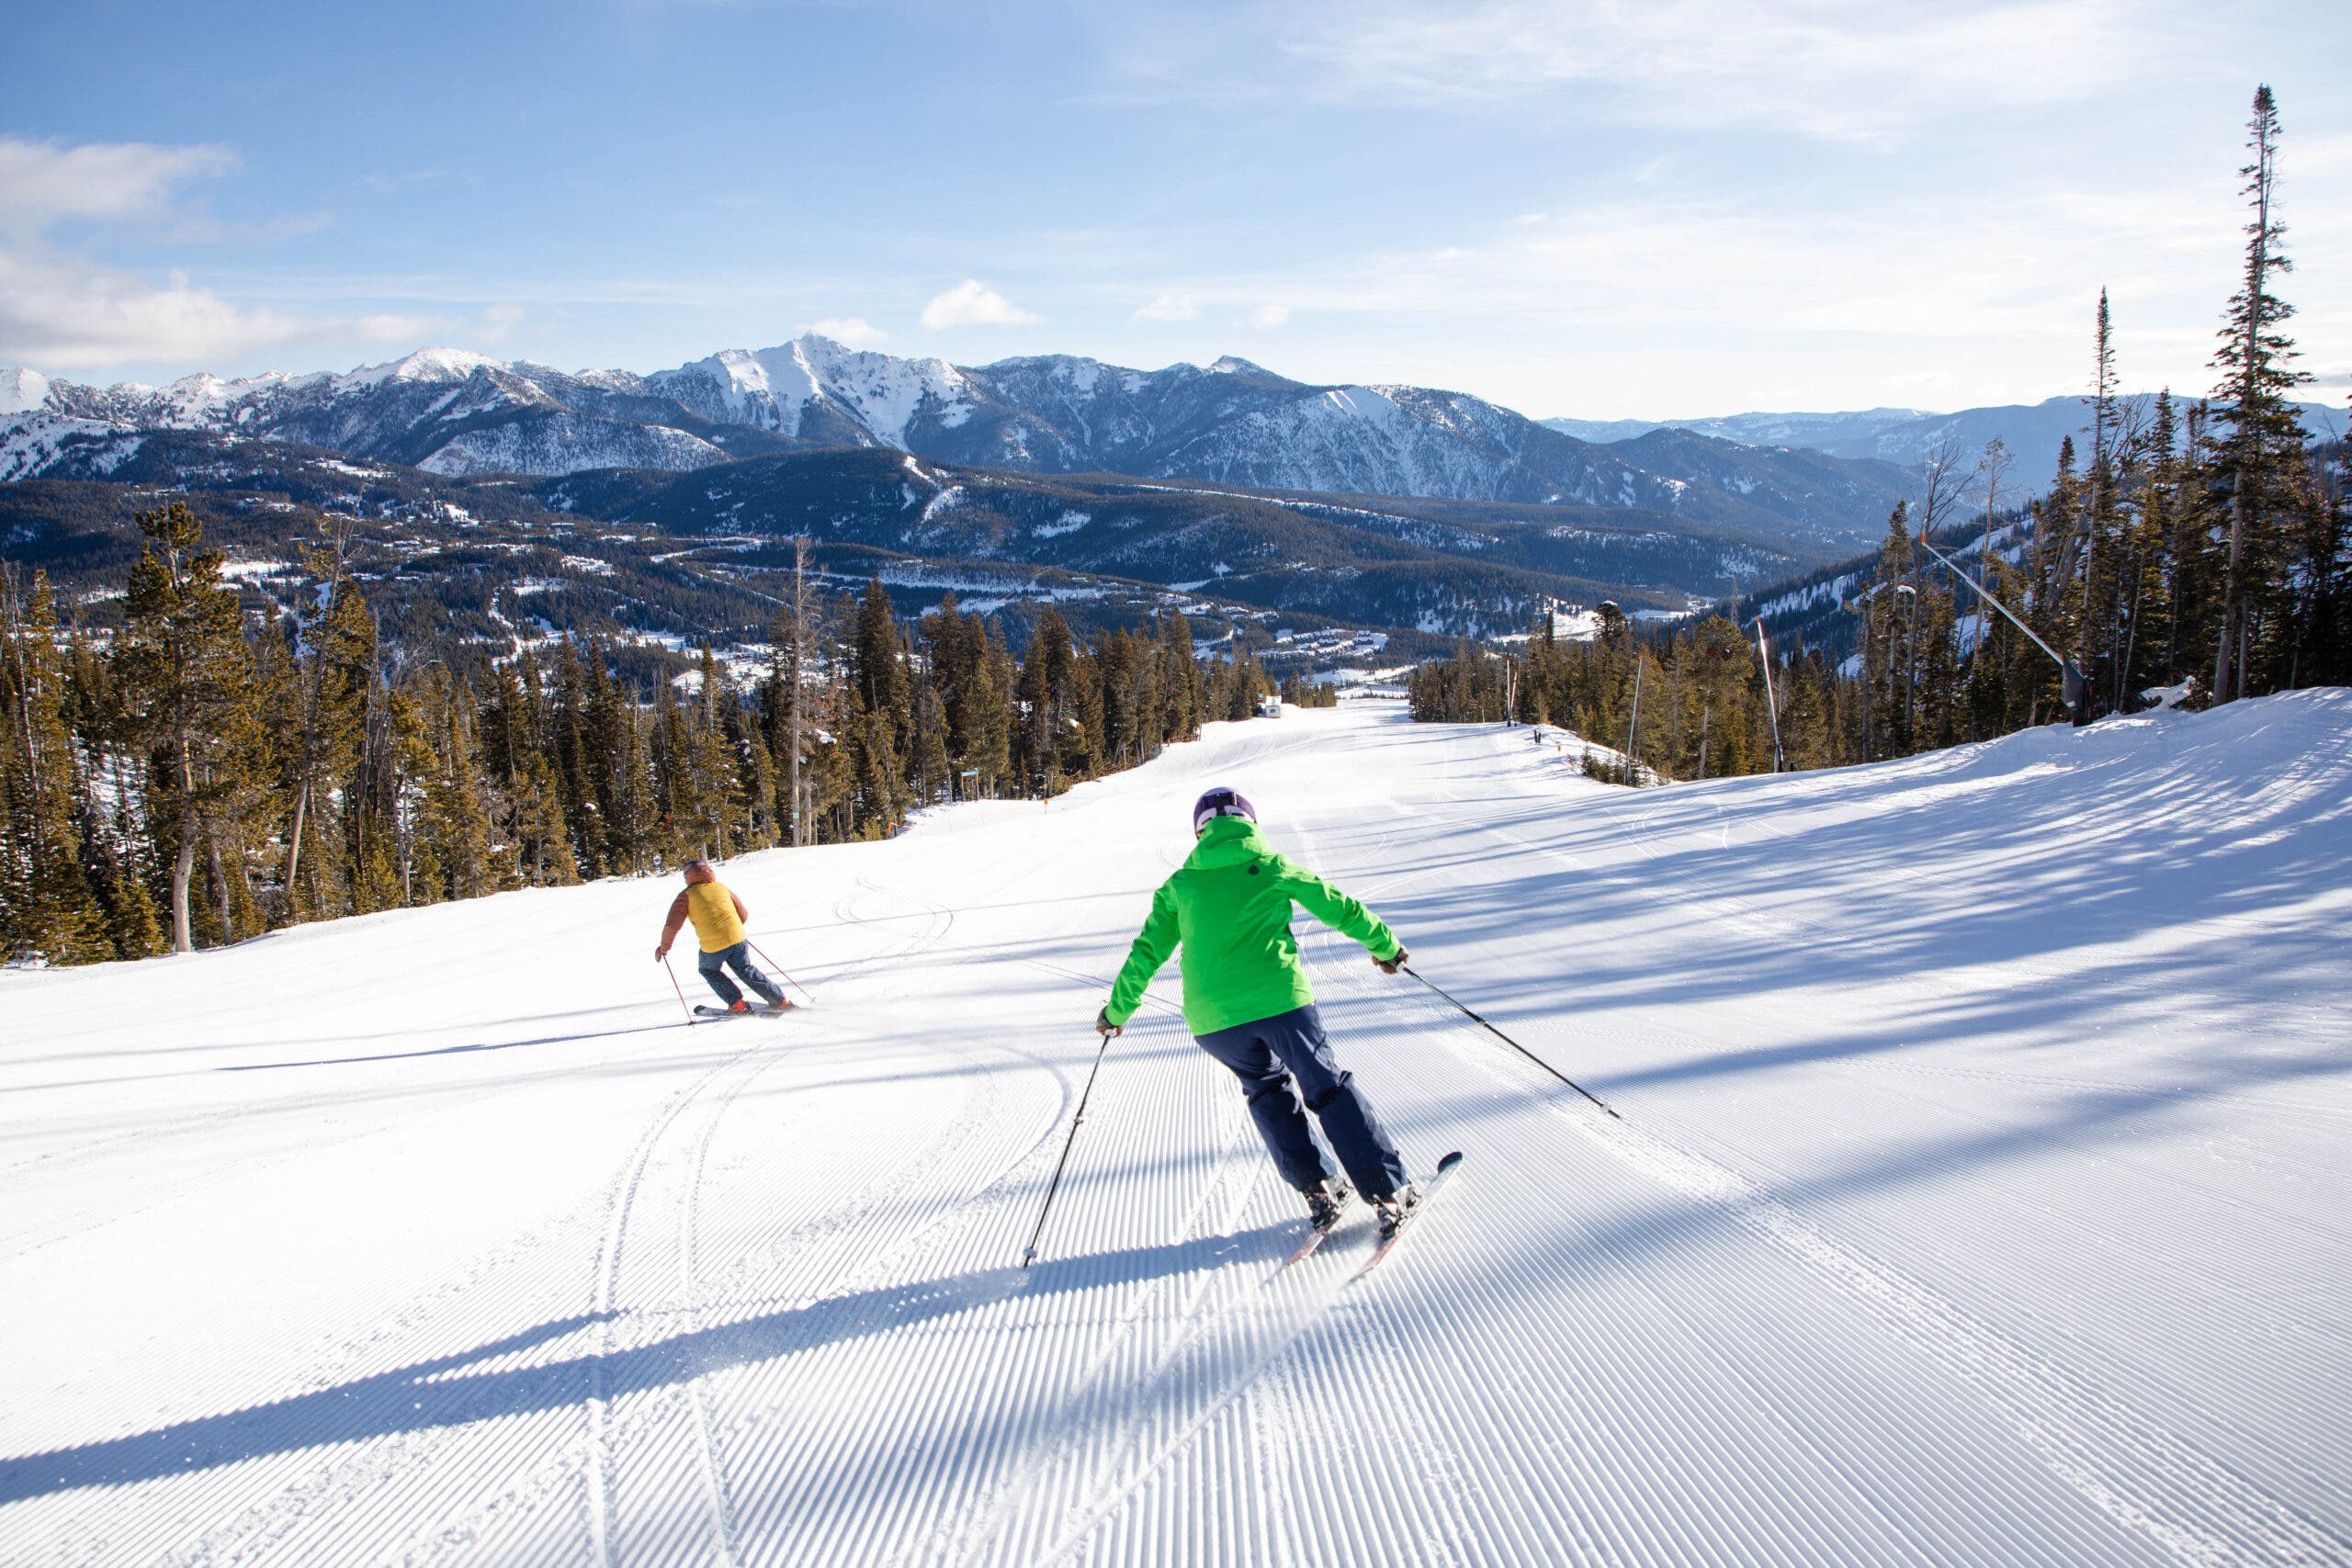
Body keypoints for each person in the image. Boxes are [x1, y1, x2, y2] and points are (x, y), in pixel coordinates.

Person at [1099, 786, 1419, 1233]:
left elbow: (1146, 952)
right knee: (1326, 1089)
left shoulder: (1180, 885)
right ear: (1249, 822)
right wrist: (1386, 947)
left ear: (1200, 832)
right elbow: (1337, 906)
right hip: (1280, 1002)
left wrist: (1116, 1012)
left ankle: (1319, 1188)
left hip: (1214, 1022)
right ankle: (1389, 1191)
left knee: (1267, 1091)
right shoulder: (1270, 866)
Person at [656, 860, 788, 1013]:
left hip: (713, 946)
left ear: (688, 877)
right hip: (738, 939)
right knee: (745, 969)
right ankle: (780, 1001)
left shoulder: (686, 896)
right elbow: (743, 914)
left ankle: (737, 1004)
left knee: (708, 970)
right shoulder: (721, 887)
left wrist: (664, 948)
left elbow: (672, 926)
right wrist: (733, 931)